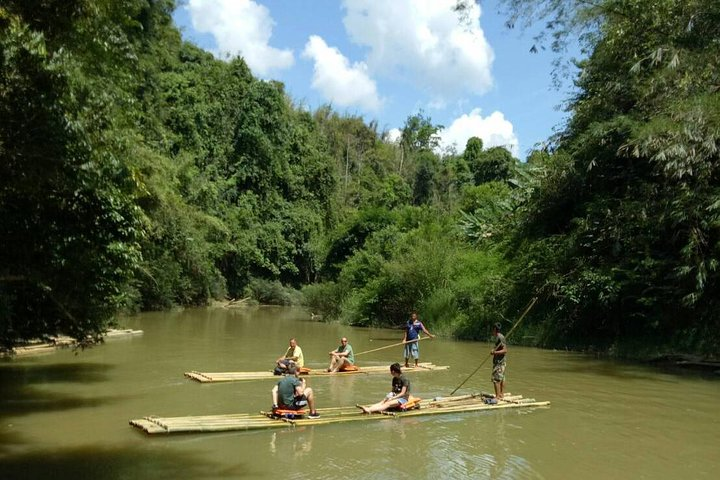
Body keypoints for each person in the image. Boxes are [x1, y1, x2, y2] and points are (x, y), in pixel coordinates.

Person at [490, 322, 507, 400]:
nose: (491, 331)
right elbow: (499, 348)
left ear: (494, 329)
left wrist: (495, 352)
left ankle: (497, 396)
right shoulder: (498, 337)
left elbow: (505, 350)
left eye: (492, 329)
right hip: (500, 361)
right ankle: (501, 395)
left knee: (496, 379)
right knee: (501, 378)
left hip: (499, 362)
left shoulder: (500, 337)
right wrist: (494, 350)